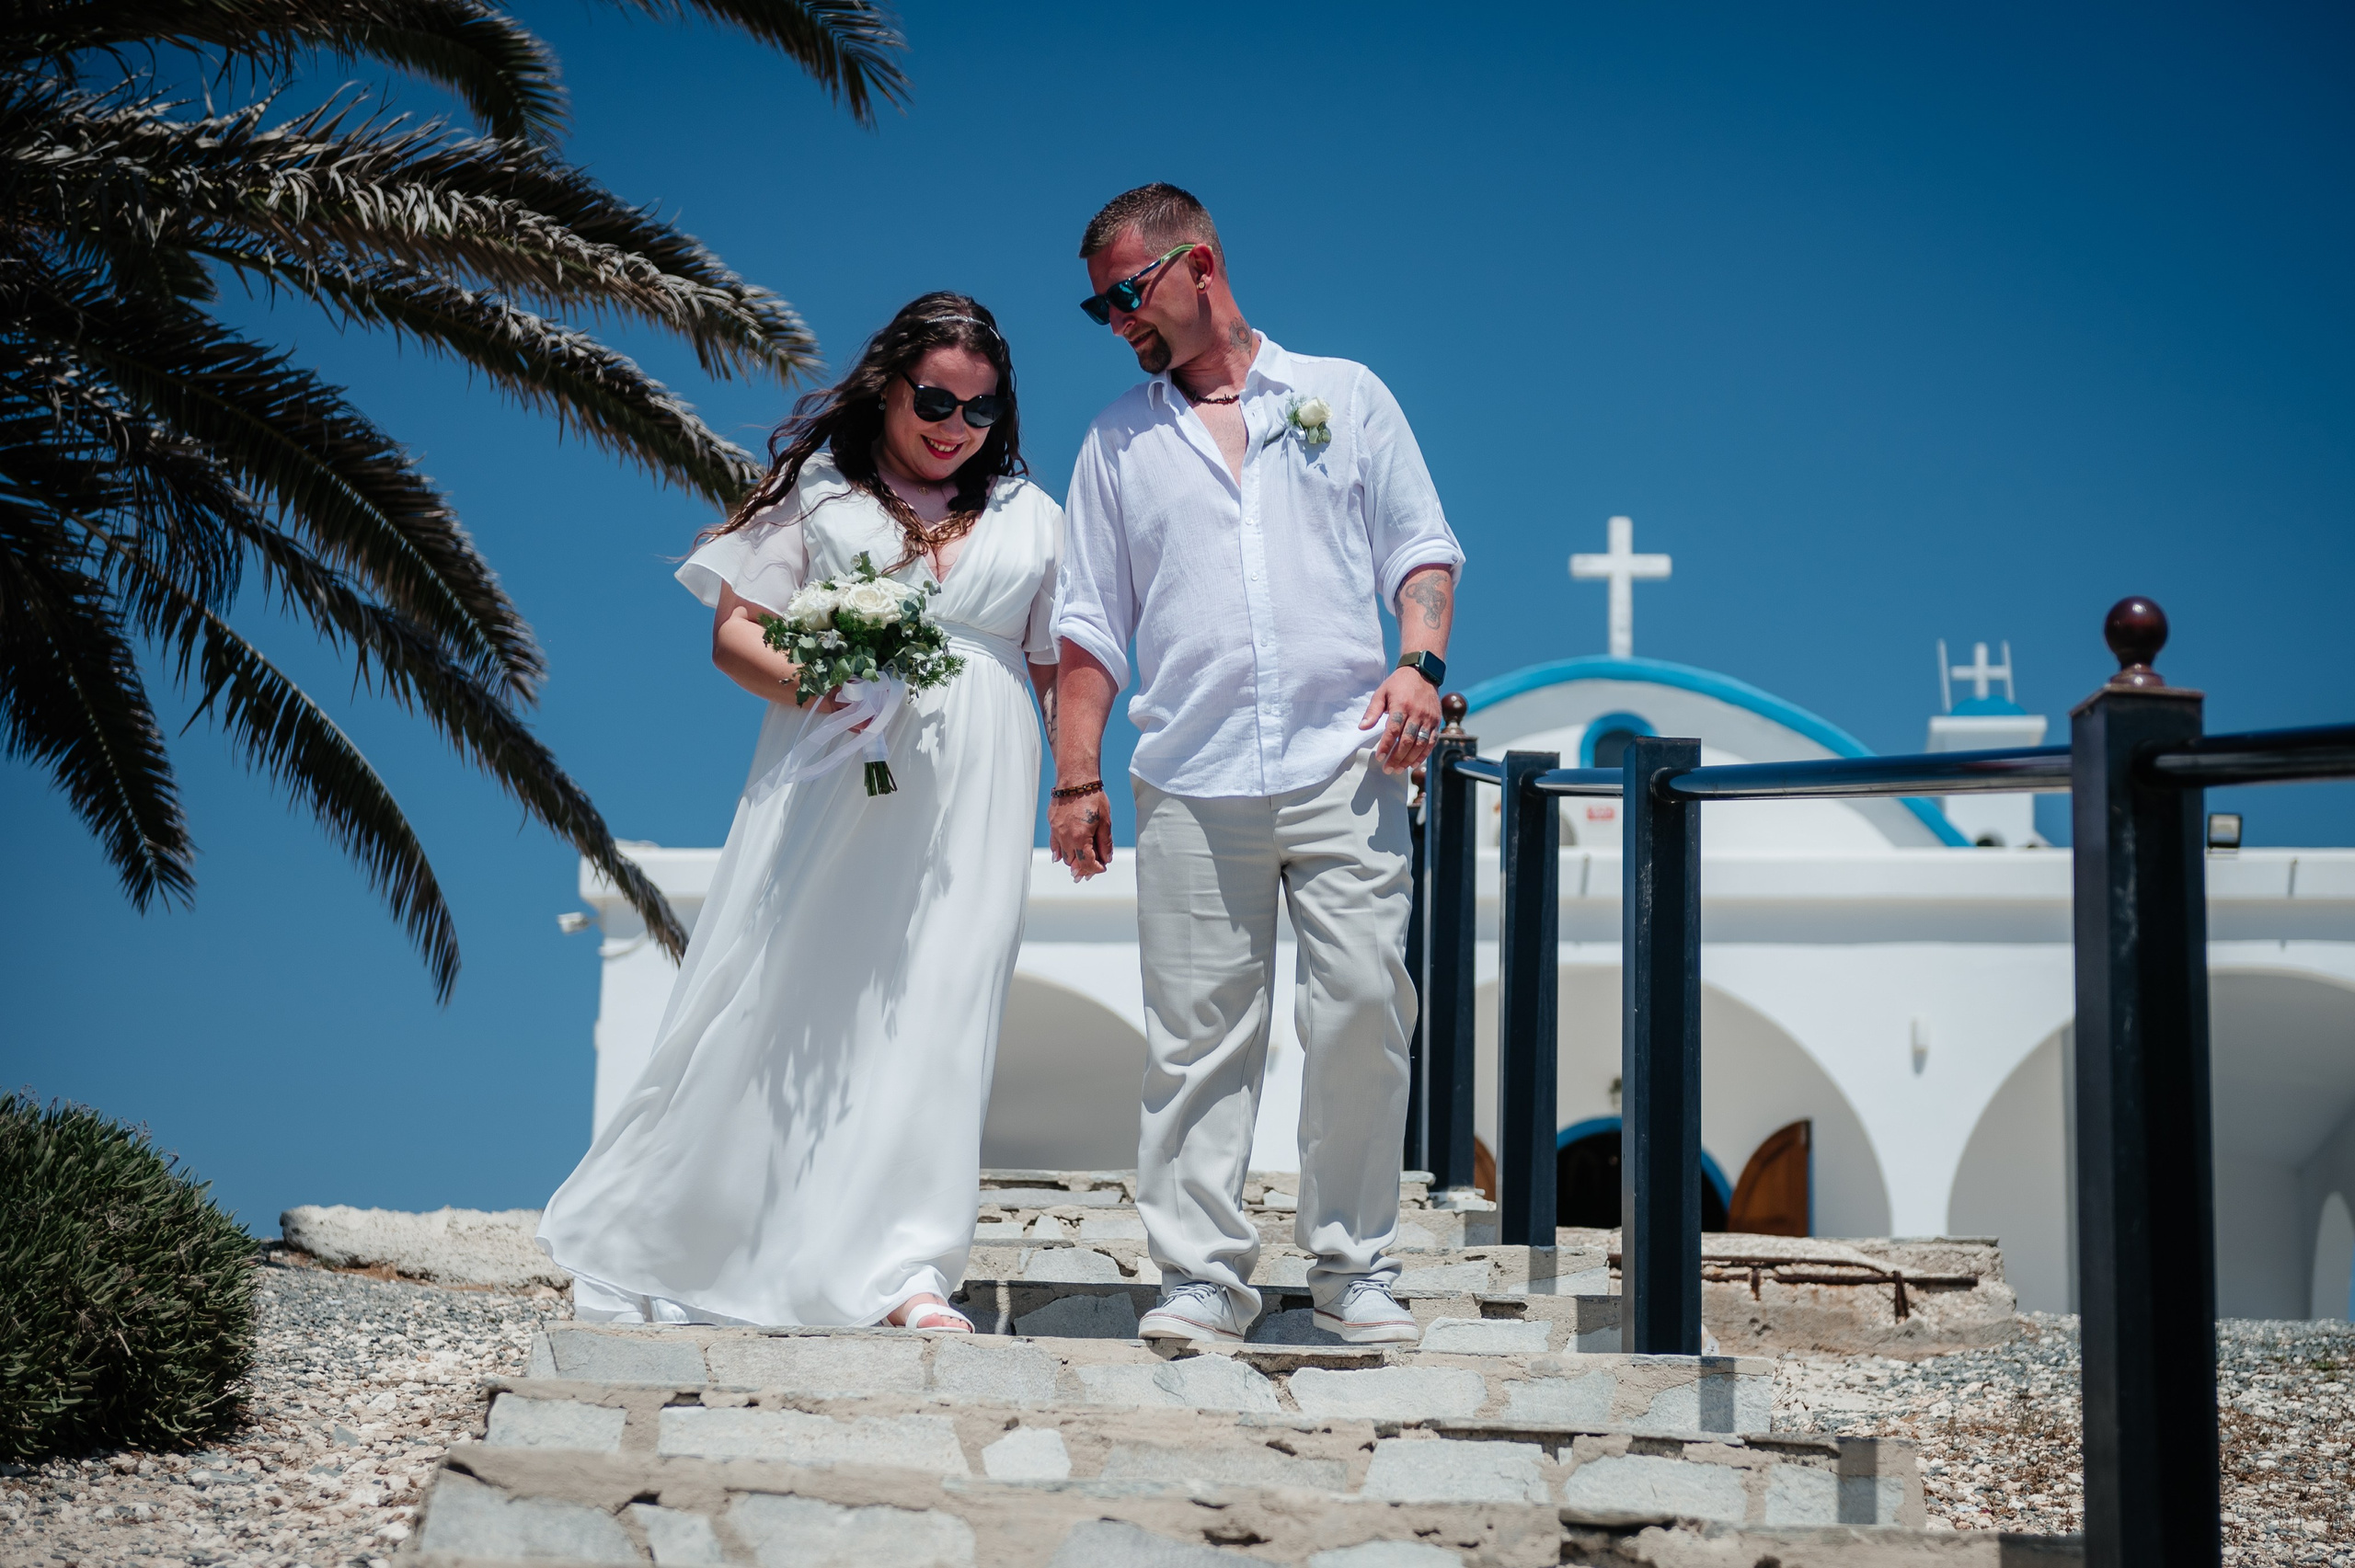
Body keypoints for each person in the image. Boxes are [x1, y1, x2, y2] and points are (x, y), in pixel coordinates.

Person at [537, 295, 1062, 1333]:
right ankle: (698, 1242)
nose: (957, 424)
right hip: (837, 778)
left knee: (945, 1010)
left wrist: (1078, 784)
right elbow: (736, 636)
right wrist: (824, 683)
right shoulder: (816, 497)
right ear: (888, 386)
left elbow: (1057, 662)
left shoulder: (1031, 516)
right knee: (795, 997)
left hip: (982, 792)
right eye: (936, 398)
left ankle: (909, 1270)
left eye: (982, 408)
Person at [1051, 185, 1463, 1346]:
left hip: (1348, 759)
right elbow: (1088, 623)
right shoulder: (1115, 445)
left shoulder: (1344, 396)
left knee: (1363, 1012)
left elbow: (1420, 547)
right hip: (1190, 775)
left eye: (1126, 294)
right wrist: (1075, 776)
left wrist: (1419, 663)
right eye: (1100, 310)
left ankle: (1353, 1269)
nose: (1117, 321)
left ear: (1200, 265)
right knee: (1195, 1037)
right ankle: (1200, 1278)